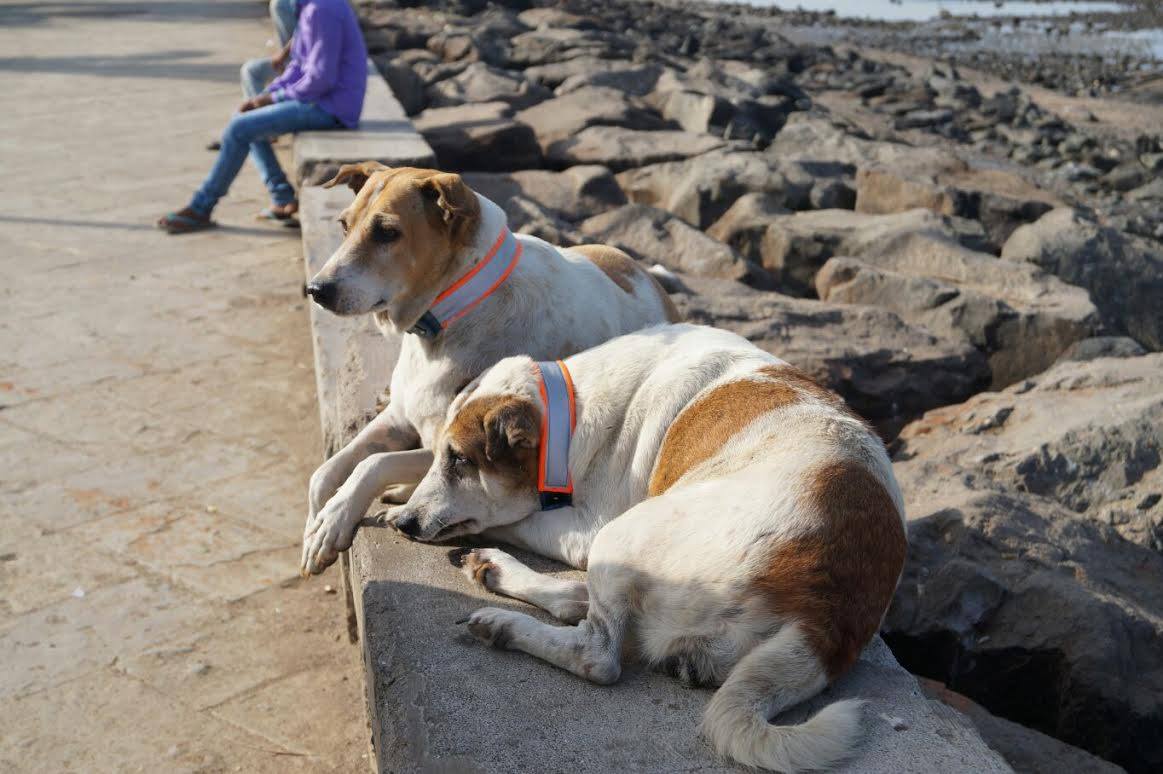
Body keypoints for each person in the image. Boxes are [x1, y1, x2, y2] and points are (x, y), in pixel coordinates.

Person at [159, 0, 367, 234]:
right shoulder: (310, 7)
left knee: (240, 128)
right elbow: (298, 67)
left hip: (333, 108)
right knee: (246, 121)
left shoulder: (322, 9)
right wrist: (268, 95)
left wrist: (272, 99)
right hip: (320, 100)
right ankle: (281, 197)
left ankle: (201, 206)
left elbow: (321, 79)